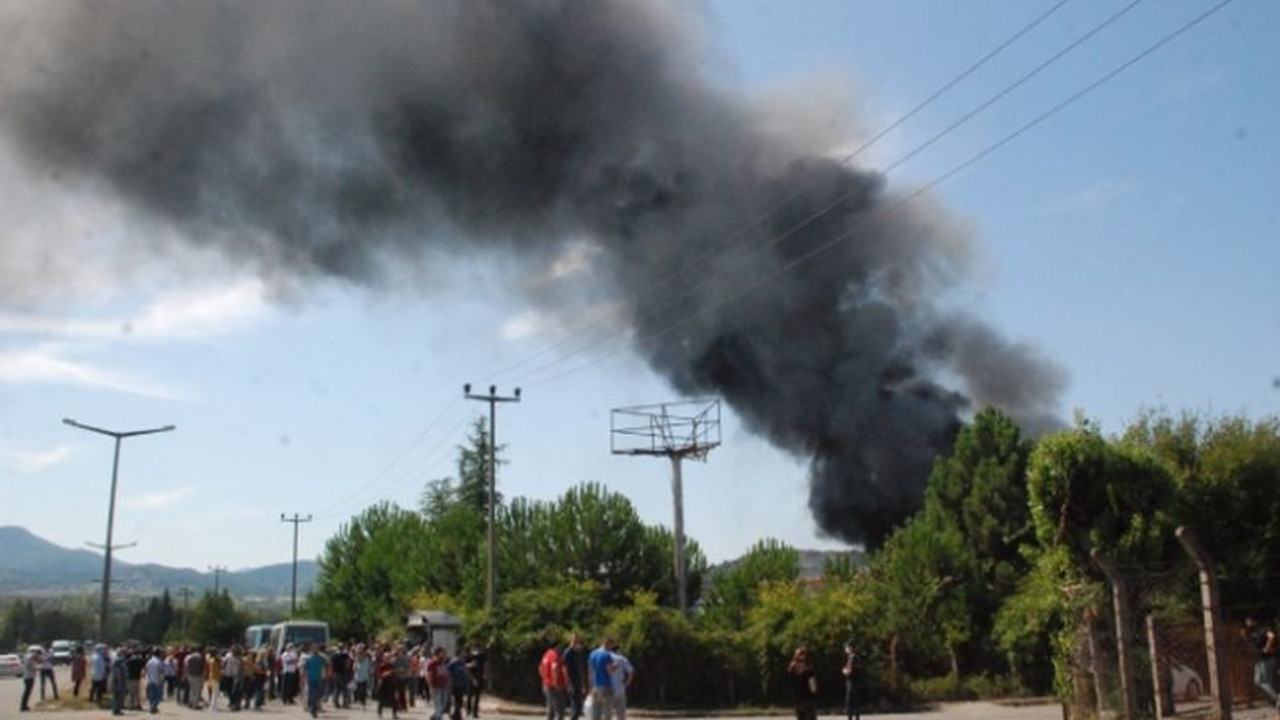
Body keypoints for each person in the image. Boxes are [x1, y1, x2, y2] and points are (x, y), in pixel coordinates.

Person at [1244, 617, 1280, 710]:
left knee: (1260, 681)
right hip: (1261, 660)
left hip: (1266, 660)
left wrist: (1267, 648)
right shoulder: (1251, 633)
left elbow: (1271, 636)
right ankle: (1276, 702)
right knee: (1268, 683)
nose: (1248, 623)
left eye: (1249, 621)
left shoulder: (1261, 629)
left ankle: (1277, 698)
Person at [587, 638, 617, 720]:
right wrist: (615, 667)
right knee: (607, 713)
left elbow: (590, 672)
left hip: (595, 687)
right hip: (606, 686)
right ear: (608, 644)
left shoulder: (592, 654)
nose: (612, 648)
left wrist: (590, 687)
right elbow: (609, 671)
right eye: (612, 645)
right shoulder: (607, 655)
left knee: (596, 714)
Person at [562, 633, 588, 720]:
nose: (576, 642)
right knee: (574, 703)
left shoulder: (578, 652)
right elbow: (564, 669)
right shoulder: (568, 652)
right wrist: (568, 682)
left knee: (578, 704)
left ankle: (575, 717)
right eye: (574, 640)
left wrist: (583, 683)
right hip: (572, 681)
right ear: (571, 641)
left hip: (578, 681)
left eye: (577, 640)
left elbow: (581, 668)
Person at [539, 642, 569, 720]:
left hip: (546, 685)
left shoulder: (547, 654)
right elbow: (554, 668)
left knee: (550, 709)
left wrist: (544, 679)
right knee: (560, 711)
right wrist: (555, 683)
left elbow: (540, 668)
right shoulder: (555, 656)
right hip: (554, 687)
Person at [787, 646, 818, 720]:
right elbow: (813, 686)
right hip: (808, 698)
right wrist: (814, 692)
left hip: (797, 698)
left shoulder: (792, 669)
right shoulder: (809, 670)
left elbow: (789, 682)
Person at [302, 643, 330, 719]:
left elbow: (327, 665)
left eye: (316, 648)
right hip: (311, 679)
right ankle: (312, 709)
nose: (315, 650)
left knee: (320, 694)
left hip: (320, 679)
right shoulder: (308, 658)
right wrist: (303, 678)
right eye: (313, 648)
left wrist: (327, 675)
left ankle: (314, 706)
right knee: (312, 694)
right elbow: (305, 669)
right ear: (311, 649)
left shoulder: (321, 658)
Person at [607, 644, 634, 720]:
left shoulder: (605, 658)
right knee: (621, 714)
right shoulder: (622, 659)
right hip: (620, 689)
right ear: (617, 650)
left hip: (608, 690)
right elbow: (631, 672)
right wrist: (626, 683)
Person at [447, 648, 473, 720]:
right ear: (457, 655)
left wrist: (472, 679)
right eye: (461, 655)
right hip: (454, 684)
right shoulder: (453, 663)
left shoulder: (462, 662)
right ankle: (456, 715)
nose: (463, 656)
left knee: (460, 701)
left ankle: (456, 714)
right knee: (456, 700)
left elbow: (466, 671)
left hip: (461, 684)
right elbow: (447, 672)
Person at [427, 646, 451, 720]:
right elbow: (429, 675)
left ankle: (436, 715)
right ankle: (438, 716)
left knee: (444, 702)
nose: (443, 654)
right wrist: (431, 685)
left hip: (444, 684)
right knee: (438, 701)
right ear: (437, 653)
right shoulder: (432, 663)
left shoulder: (443, 662)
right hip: (436, 685)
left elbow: (446, 673)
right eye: (442, 652)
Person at [376, 649, 400, 719]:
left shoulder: (391, 665)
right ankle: (380, 713)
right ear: (383, 658)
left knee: (393, 700)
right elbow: (379, 675)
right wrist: (385, 674)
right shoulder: (381, 666)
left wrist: (393, 673)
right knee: (381, 700)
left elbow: (394, 674)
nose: (387, 659)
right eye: (386, 658)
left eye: (388, 658)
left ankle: (394, 714)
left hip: (391, 684)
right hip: (383, 684)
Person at [465, 645, 487, 717]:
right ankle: (469, 710)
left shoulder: (482, 655)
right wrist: (470, 665)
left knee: (476, 696)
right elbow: (466, 666)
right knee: (470, 695)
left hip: (479, 677)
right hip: (471, 677)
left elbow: (484, 665)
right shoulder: (468, 655)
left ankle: (474, 712)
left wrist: (484, 674)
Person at [842, 642, 860, 720]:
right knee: (852, 701)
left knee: (850, 701)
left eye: (846, 648)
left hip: (853, 681)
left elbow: (852, 670)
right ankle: (852, 716)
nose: (845, 650)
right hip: (850, 681)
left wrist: (845, 671)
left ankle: (852, 717)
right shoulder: (850, 657)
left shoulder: (854, 658)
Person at [145, 647, 165, 714]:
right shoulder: (159, 661)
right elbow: (161, 671)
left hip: (150, 679)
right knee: (158, 695)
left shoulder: (149, 661)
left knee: (152, 695)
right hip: (157, 680)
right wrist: (162, 679)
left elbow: (146, 670)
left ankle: (152, 706)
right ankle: (153, 706)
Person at [111, 646, 129, 717]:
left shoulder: (120, 659)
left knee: (119, 696)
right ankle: (116, 710)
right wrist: (120, 680)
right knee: (117, 696)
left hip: (120, 680)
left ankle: (118, 709)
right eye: (123, 652)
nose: (125, 653)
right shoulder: (118, 660)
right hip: (118, 681)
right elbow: (117, 671)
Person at [20, 646, 38, 712]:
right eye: (35, 651)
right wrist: (35, 668)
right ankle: (23, 706)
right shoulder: (29, 657)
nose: (36, 653)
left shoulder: (27, 657)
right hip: (29, 677)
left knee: (27, 692)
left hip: (27, 676)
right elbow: (29, 666)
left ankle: (24, 705)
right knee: (27, 692)